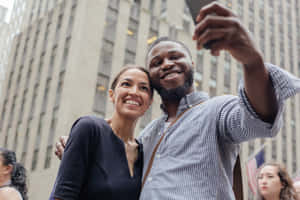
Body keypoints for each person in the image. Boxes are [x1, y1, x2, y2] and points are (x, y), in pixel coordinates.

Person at [54, 2, 300, 199]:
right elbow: (117, 155)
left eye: (175, 56)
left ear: (192, 65)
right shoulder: (149, 134)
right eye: (156, 63)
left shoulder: (217, 110)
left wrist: (251, 60)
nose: (167, 63)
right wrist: (80, 145)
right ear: (151, 78)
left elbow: (259, 116)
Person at [52, 65, 153, 200]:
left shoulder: (144, 152)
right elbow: (63, 195)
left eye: (143, 88)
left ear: (149, 102)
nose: (134, 92)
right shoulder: (89, 128)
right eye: (126, 84)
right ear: (111, 95)